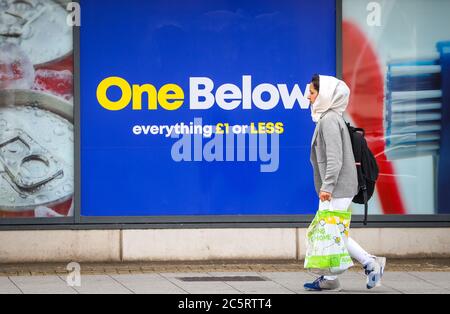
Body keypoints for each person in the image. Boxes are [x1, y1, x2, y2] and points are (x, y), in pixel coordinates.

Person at [303, 74, 386, 291]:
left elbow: (335, 158)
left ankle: (369, 264)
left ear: (325, 95)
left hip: (337, 187)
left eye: (312, 92)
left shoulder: (329, 120)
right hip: (339, 186)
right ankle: (336, 277)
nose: (308, 97)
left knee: (332, 232)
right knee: (334, 232)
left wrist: (327, 187)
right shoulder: (330, 117)